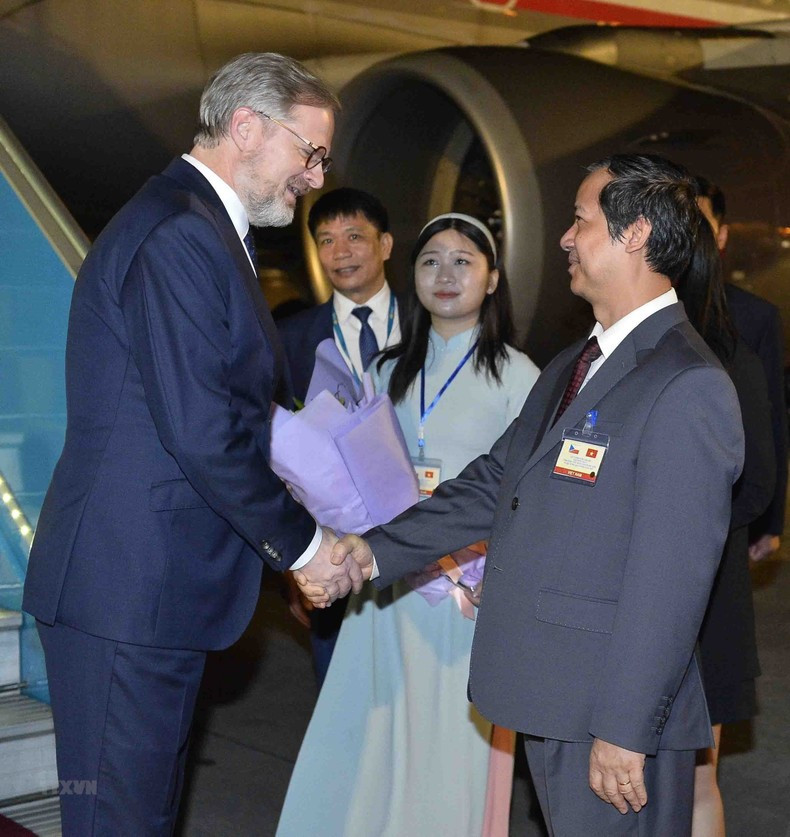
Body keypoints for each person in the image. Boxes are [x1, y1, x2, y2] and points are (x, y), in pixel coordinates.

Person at [316, 154, 746, 836]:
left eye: (580, 220)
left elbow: (672, 581)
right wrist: (367, 554)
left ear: (633, 234)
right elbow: (495, 484)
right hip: (558, 699)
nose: (566, 239)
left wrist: (623, 730)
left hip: (608, 717)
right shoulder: (578, 364)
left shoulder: (684, 383)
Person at [22, 53, 364, 836]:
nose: (315, 176)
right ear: (246, 127)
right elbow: (203, 428)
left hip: (147, 592)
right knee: (120, 823)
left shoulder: (201, 225)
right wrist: (306, 549)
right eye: (309, 152)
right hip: (128, 594)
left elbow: (232, 415)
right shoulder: (181, 232)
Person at [278, 213, 540, 836]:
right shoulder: (384, 370)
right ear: (410, 275)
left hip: (464, 597)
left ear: (493, 278)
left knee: (448, 749)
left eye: (463, 261)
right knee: (370, 741)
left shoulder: (522, 377)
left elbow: (525, 500)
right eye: (430, 262)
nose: (445, 275)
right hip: (385, 590)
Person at [278, 187, 402, 684]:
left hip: (425, 550)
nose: (341, 252)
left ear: (386, 245)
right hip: (330, 550)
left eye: (355, 236)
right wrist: (294, 559)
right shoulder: (288, 338)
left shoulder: (432, 326)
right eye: (326, 241)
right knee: (343, 704)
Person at [682, 192, 775, 837]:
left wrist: (678, 534)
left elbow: (756, 479)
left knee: (694, 778)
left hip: (705, 589)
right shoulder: (591, 352)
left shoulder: (730, 351)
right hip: (617, 602)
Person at [695, 176, 787, 563]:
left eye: (701, 226)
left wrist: (772, 522)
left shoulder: (754, 318)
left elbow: (771, 423)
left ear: (721, 235)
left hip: (729, 510)